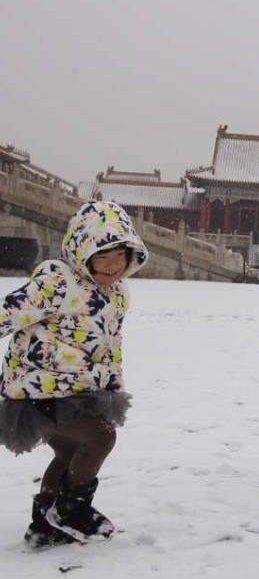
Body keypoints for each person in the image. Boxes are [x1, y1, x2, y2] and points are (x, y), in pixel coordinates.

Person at [0, 201, 148, 547]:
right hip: (37, 390)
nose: (113, 266)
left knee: (67, 454)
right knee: (101, 438)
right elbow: (9, 312)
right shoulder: (57, 282)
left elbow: (110, 346)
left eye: (120, 255)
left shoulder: (117, 295)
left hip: (79, 392)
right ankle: (71, 511)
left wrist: (111, 388)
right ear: (82, 252)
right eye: (102, 256)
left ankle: (43, 525)